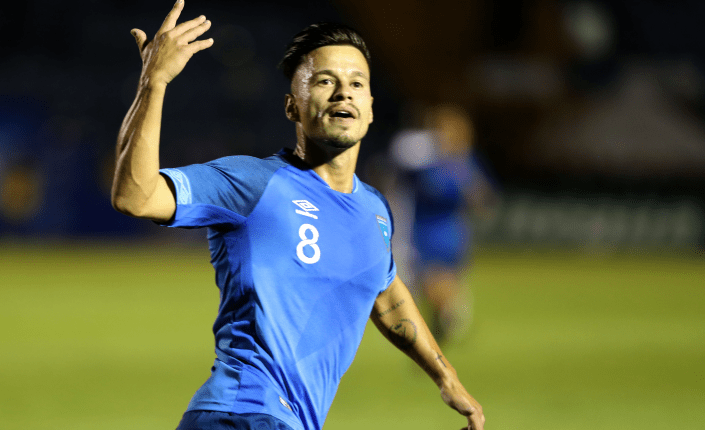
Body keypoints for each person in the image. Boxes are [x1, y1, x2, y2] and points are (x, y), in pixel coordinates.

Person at [111, 2, 485, 429]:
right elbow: (136, 197)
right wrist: (153, 84)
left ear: (371, 107)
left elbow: (386, 290)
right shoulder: (252, 182)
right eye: (325, 81)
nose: (344, 92)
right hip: (241, 414)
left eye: (356, 83)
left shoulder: (374, 210)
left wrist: (445, 375)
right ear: (292, 107)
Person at [391, 105, 497, 345]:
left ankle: (446, 317)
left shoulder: (465, 163)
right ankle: (444, 318)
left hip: (450, 232)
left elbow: (483, 198)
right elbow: (397, 173)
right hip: (423, 231)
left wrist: (477, 198)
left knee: (438, 284)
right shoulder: (422, 161)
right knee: (427, 289)